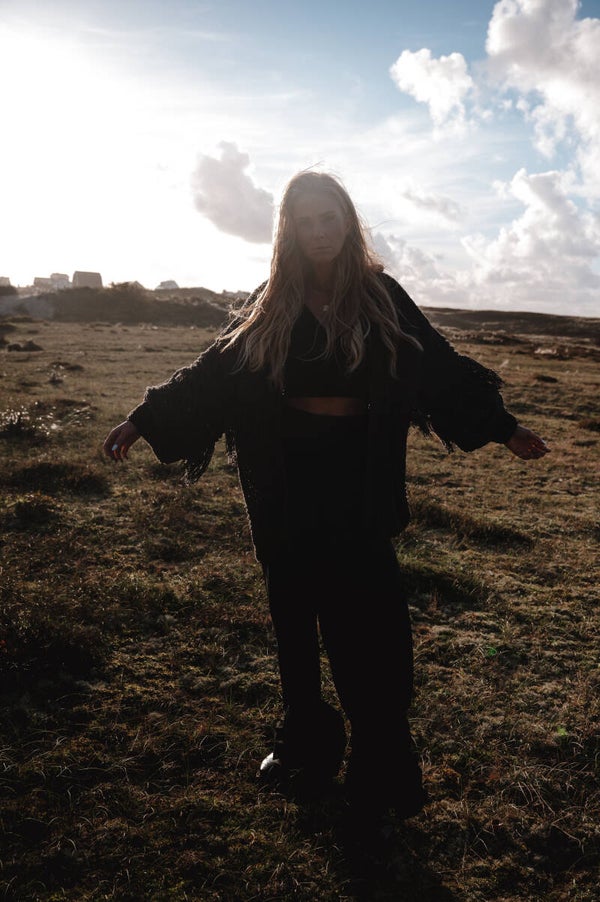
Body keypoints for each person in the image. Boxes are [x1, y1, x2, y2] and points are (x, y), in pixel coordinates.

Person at [103, 170, 548, 826]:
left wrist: (504, 428)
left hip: (357, 477)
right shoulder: (272, 300)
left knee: (372, 622)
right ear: (289, 230)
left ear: (348, 223)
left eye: (329, 219)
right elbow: (214, 371)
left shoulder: (381, 297)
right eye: (306, 222)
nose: (319, 233)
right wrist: (145, 419)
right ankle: (305, 746)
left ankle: (381, 761)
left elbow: (439, 368)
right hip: (284, 478)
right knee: (294, 617)